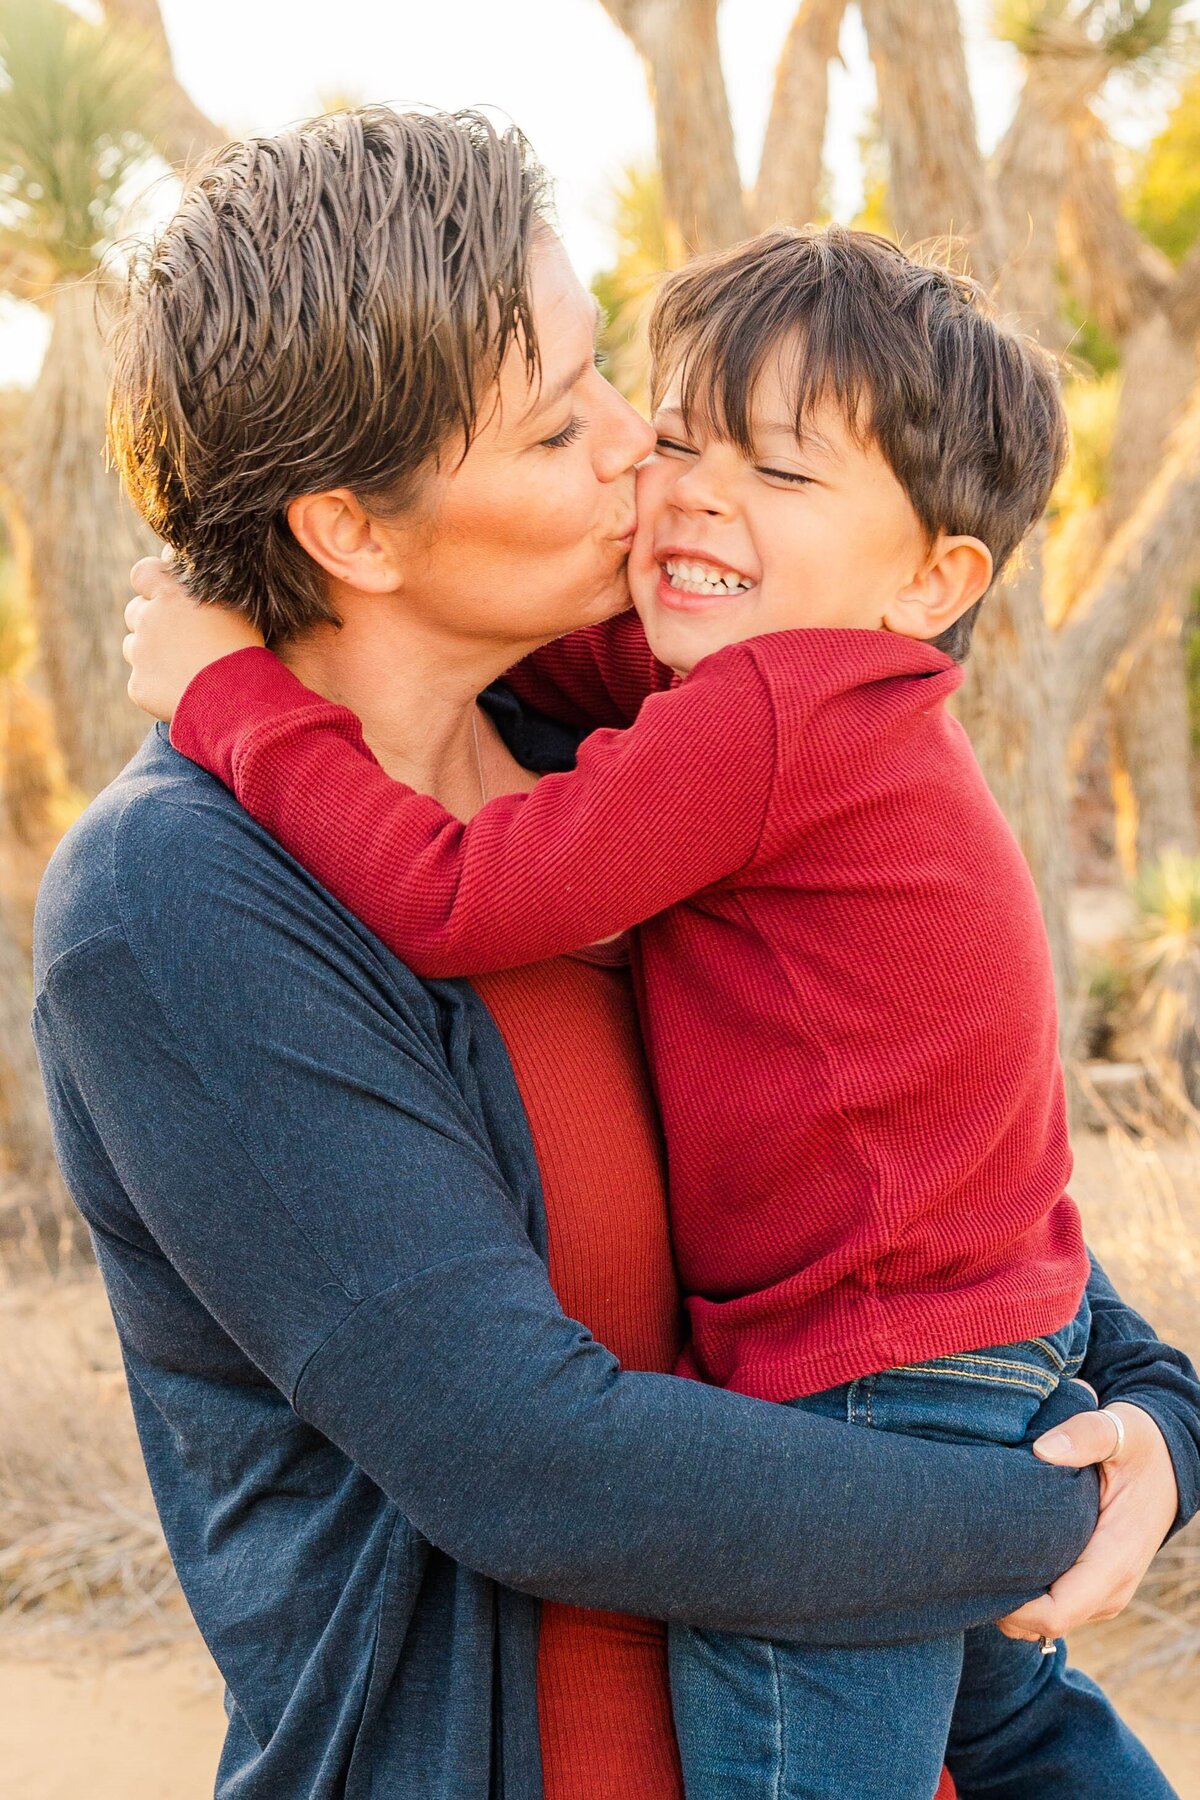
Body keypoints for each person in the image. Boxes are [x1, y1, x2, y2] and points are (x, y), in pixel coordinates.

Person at [37, 108, 1197, 1800]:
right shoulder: (178, 904)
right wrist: (1054, 1510)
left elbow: (917, 1196)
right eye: (556, 426)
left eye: (612, 385)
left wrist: (1159, 1414)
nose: (638, 455)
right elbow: (529, 1461)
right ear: (354, 531)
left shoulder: (659, 755)